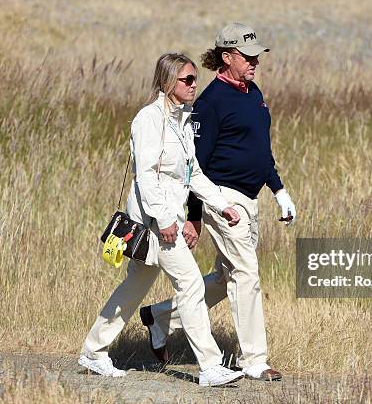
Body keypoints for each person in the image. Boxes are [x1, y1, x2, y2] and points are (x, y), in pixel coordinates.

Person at [140, 24, 296, 382]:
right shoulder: (210, 103)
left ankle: (161, 317)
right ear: (227, 57)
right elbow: (196, 164)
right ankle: (254, 359)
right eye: (248, 56)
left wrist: (279, 189)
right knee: (247, 274)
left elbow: (260, 150)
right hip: (222, 197)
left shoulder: (253, 93)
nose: (255, 61)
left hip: (250, 196)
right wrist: (194, 215)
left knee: (227, 277)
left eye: (257, 55)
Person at [78, 53, 246, 387]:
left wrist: (221, 204)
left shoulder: (182, 121)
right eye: (187, 79)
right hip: (154, 224)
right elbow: (146, 178)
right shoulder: (148, 119)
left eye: (195, 78)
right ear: (168, 82)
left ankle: (93, 352)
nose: (194, 85)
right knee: (192, 284)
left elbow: (192, 174)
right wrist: (168, 219)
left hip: (167, 220)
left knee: (134, 287)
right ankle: (210, 366)